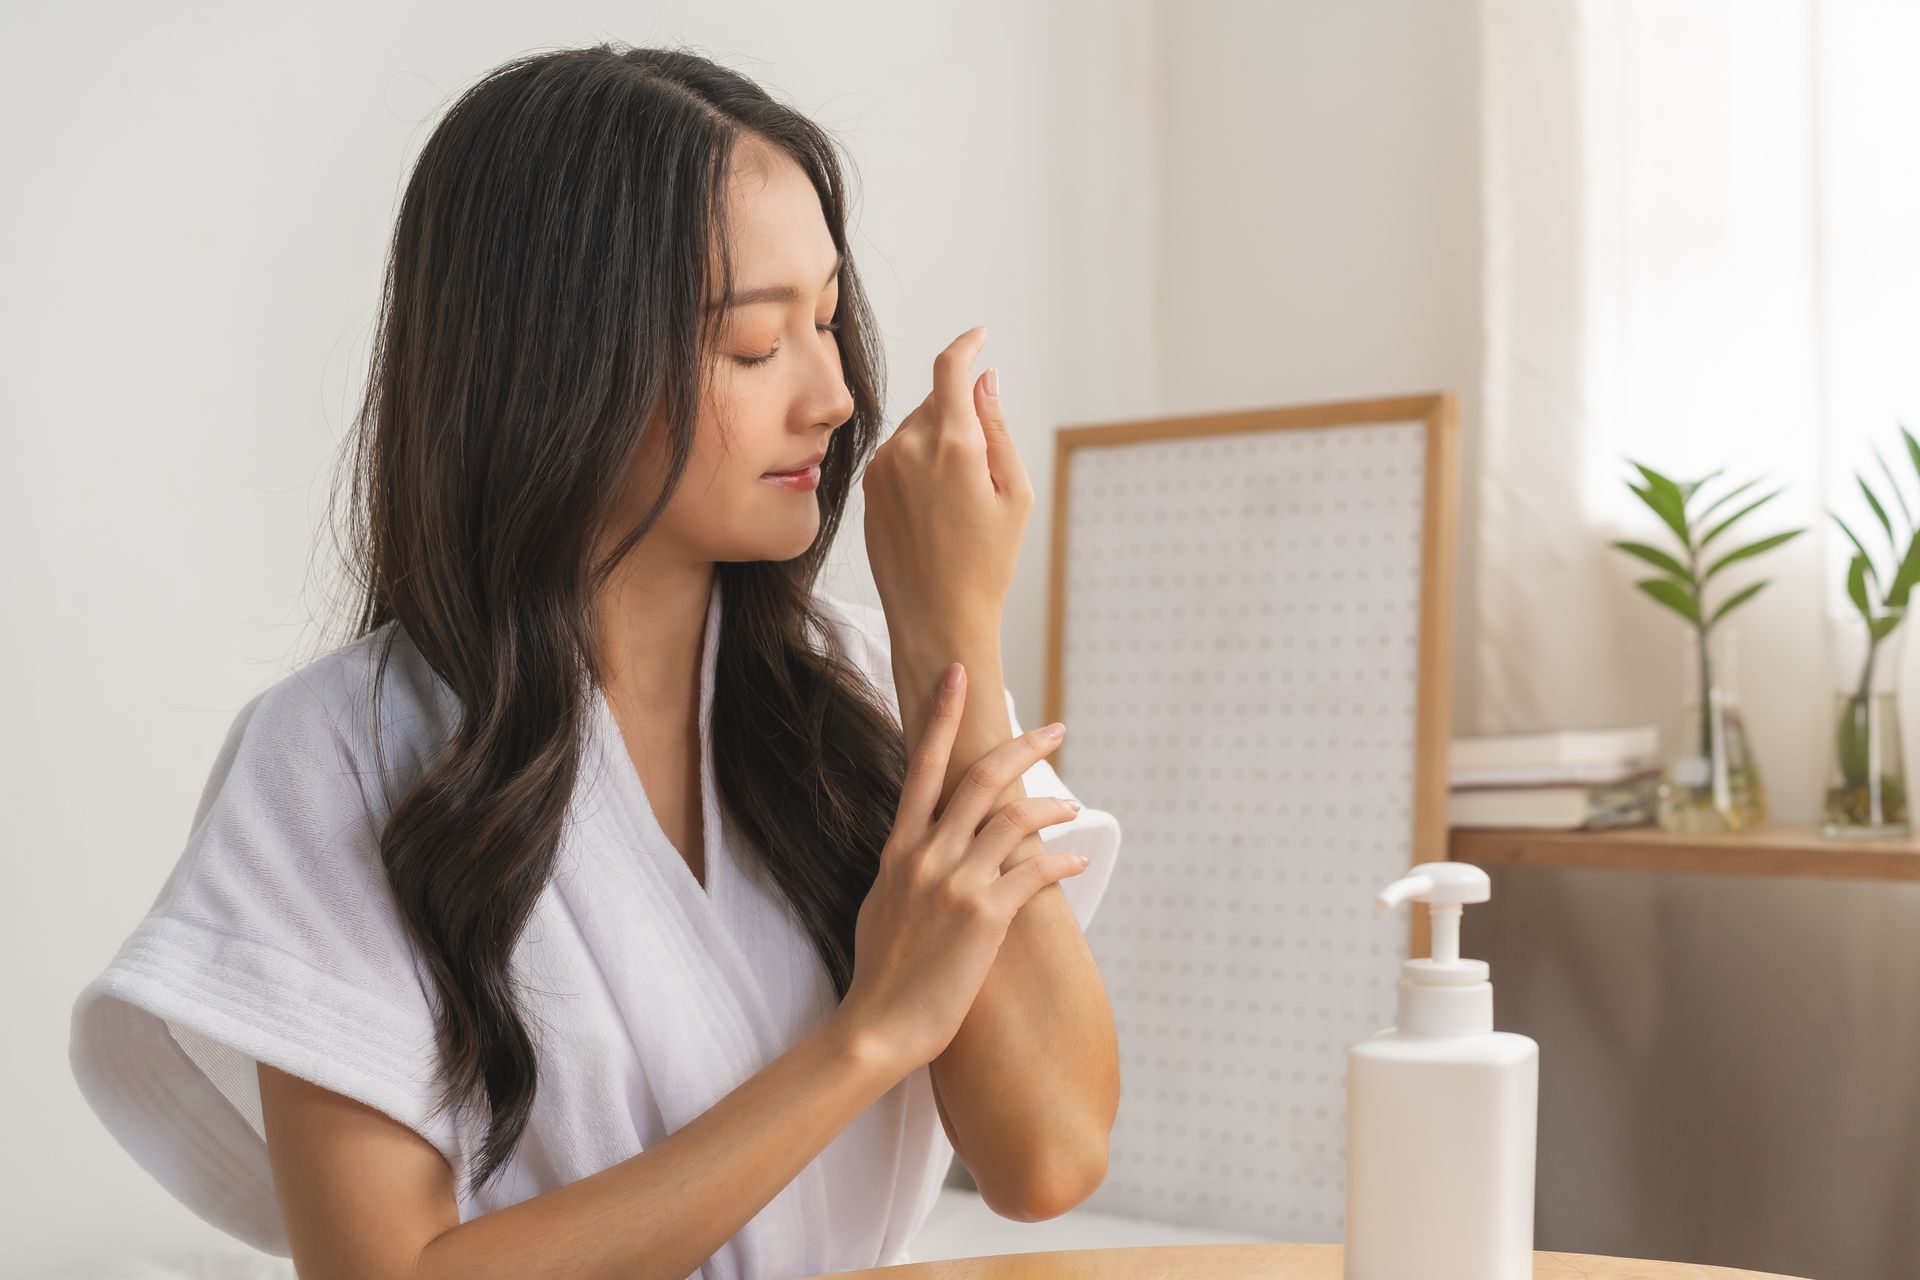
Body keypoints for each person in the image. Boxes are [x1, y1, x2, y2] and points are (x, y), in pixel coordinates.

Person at [67, 41, 1122, 1280]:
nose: (836, 395)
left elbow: (1049, 1155)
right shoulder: (338, 756)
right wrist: (870, 1035)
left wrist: (951, 641)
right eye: (752, 345)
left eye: (830, 320)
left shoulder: (868, 696)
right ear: (558, 365)